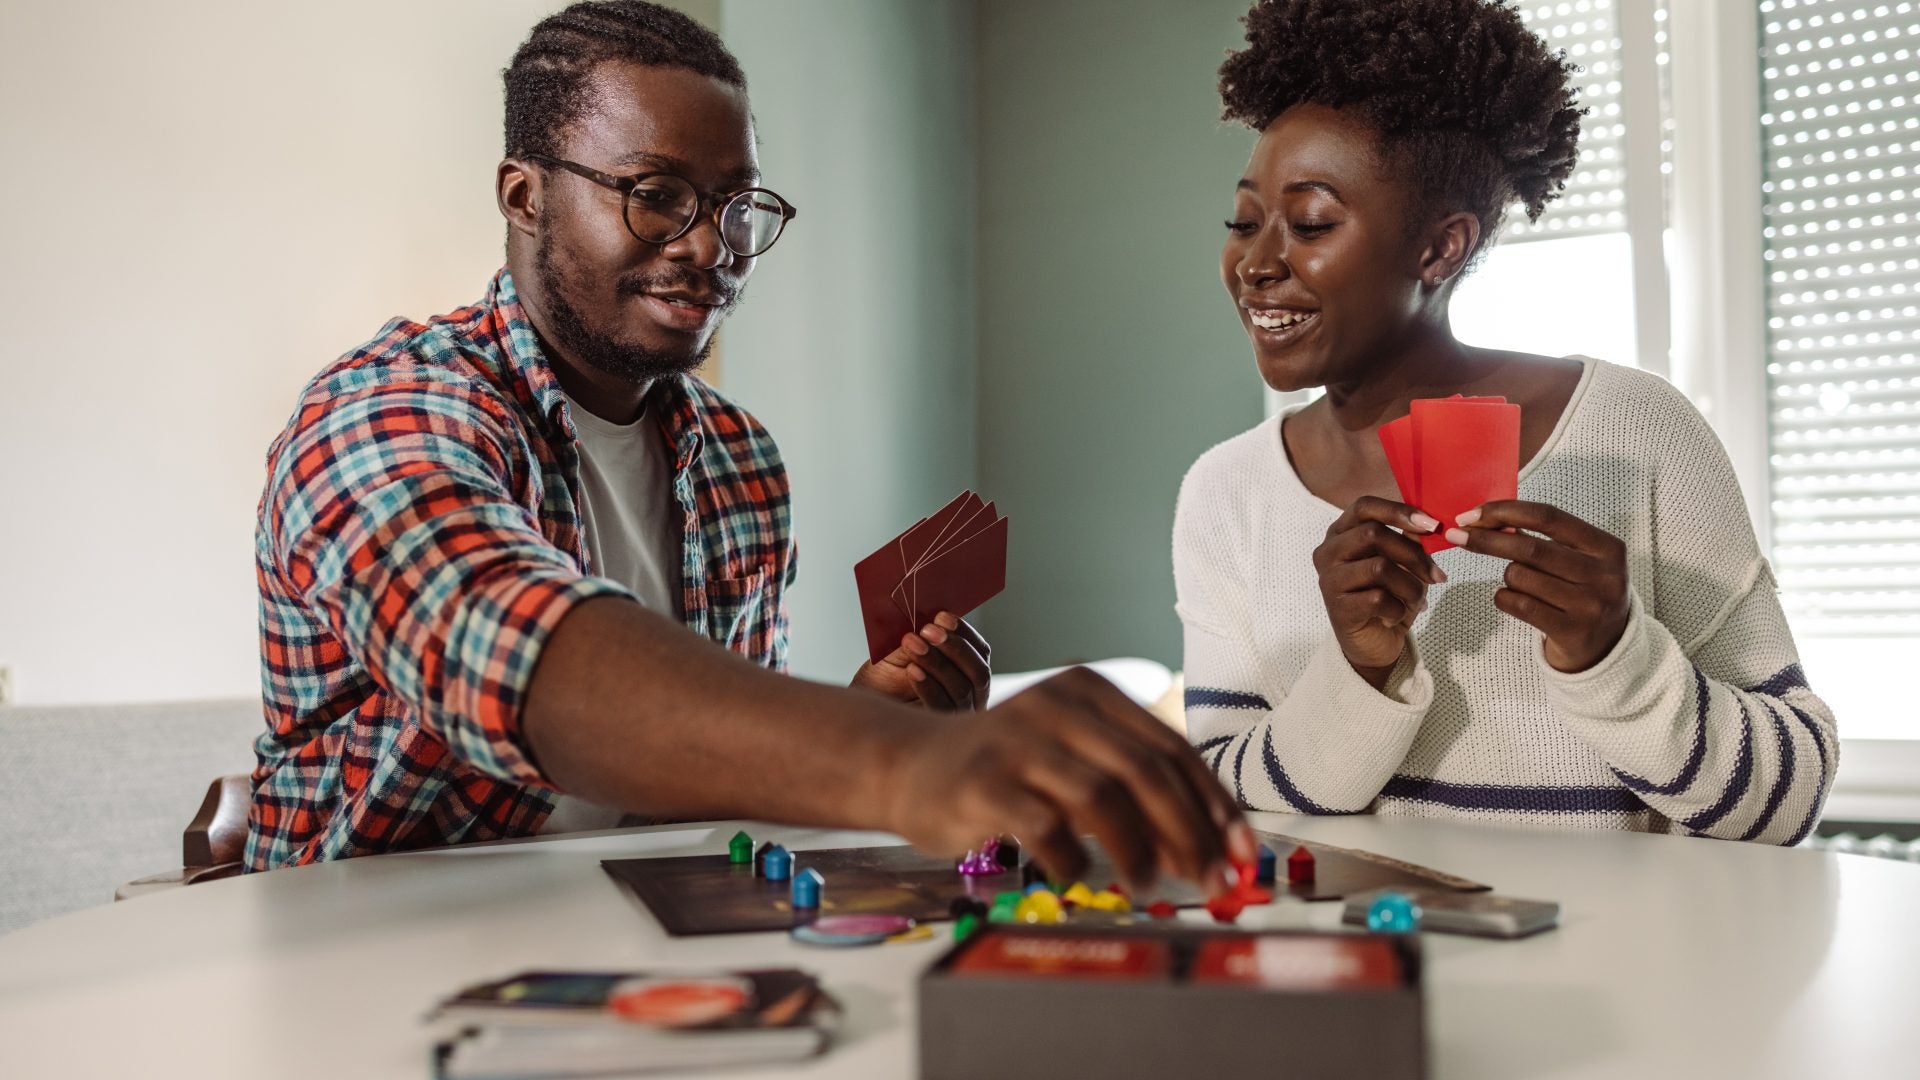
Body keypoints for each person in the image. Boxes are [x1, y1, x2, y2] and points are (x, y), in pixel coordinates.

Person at [250, 0, 1250, 890]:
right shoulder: (382, 412)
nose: (707, 246)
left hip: (635, 928)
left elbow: (672, 794)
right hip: (370, 949)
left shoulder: (736, 459)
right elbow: (506, 643)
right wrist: (897, 761)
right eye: (656, 194)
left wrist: (871, 712)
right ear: (524, 196)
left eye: (738, 206)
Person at [1175, 0, 1835, 843]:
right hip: (1373, 971)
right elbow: (1219, 810)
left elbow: (1790, 801)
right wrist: (1360, 670)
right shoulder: (1227, 494)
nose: (1257, 264)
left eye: (1310, 225)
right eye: (1242, 222)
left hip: (1624, 973)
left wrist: (1614, 657)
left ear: (1440, 249)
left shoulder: (1637, 435)